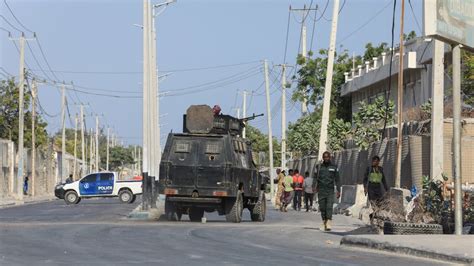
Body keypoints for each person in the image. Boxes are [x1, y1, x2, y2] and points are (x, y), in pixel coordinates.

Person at [315, 151, 341, 231]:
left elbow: (337, 179)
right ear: (323, 158)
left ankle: (329, 221)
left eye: (327, 157)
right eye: (324, 157)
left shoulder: (334, 167)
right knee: (322, 207)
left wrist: (338, 190)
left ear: (330, 157)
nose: (326, 158)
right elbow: (315, 177)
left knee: (329, 206)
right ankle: (324, 222)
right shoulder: (319, 167)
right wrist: (314, 186)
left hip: (330, 190)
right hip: (321, 190)